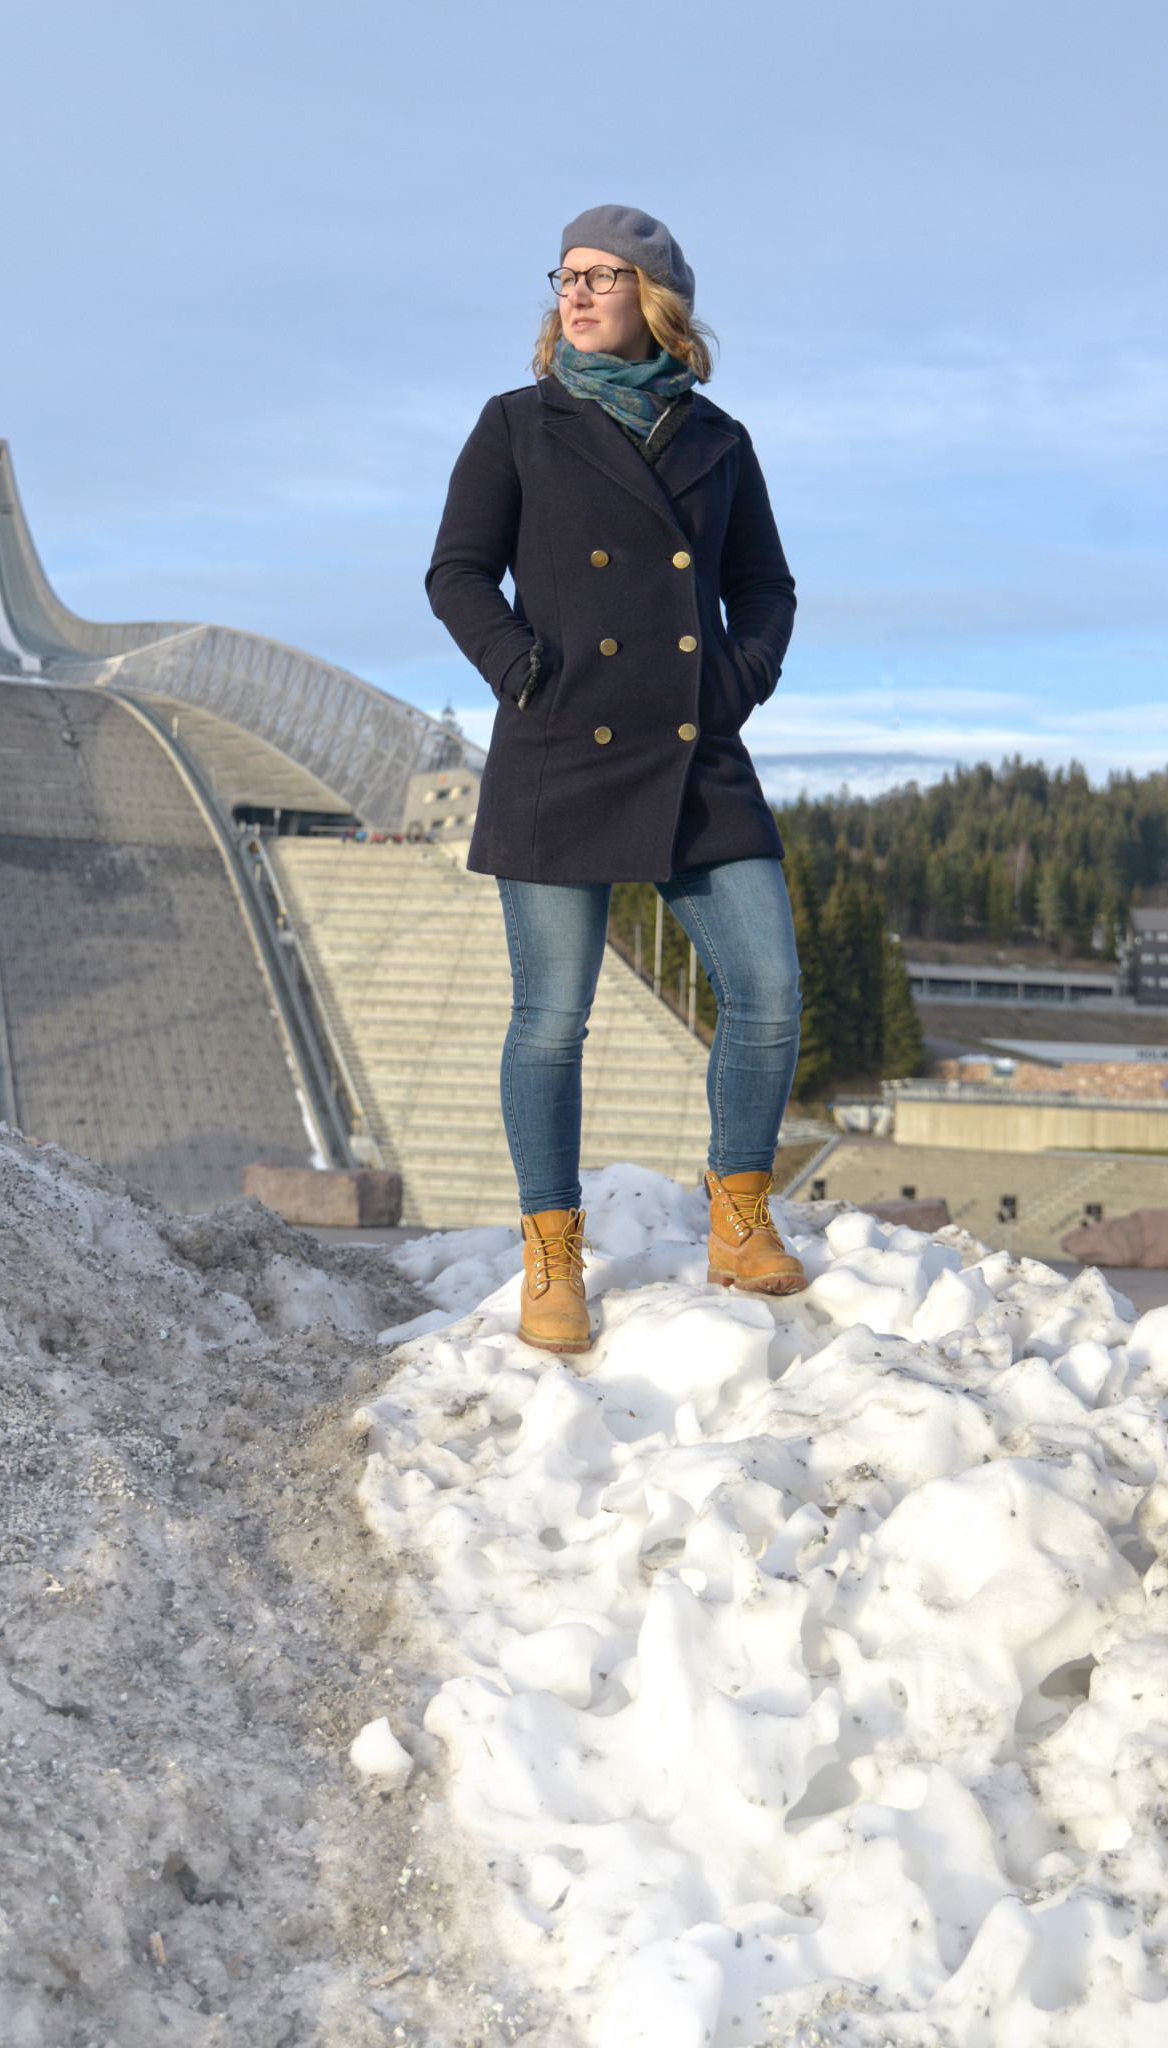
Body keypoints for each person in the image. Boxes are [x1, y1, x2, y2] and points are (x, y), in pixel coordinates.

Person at [426, 203, 805, 1354]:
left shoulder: (717, 440)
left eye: (605, 276)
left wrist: (729, 686)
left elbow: (767, 589)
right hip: (558, 750)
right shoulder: (517, 424)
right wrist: (521, 672)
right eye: (568, 276)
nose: (578, 293)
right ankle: (551, 1250)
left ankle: (737, 1213)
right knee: (551, 1019)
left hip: (695, 753)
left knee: (769, 987)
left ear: (658, 300)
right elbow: (456, 573)